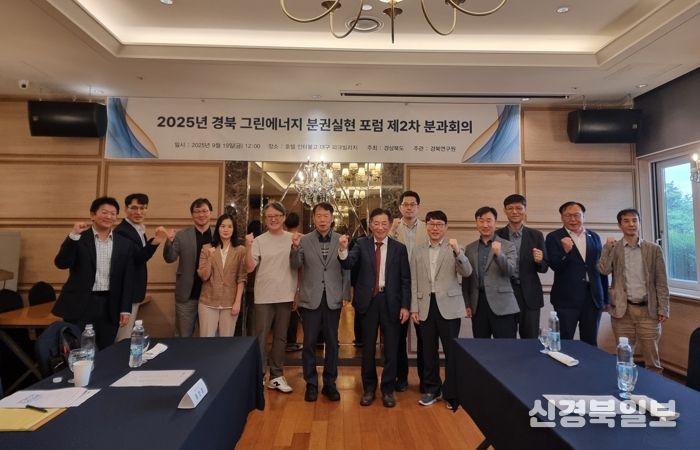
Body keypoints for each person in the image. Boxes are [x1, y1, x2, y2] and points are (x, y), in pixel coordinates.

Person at [339, 208, 411, 408]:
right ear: (370, 225)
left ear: (390, 225)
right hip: (368, 303)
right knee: (368, 348)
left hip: (391, 302)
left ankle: (388, 389)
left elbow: (405, 280)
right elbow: (348, 263)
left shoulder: (399, 248)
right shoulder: (361, 244)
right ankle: (369, 389)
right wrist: (343, 249)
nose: (380, 227)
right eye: (376, 223)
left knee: (391, 349)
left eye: (384, 223)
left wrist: (405, 306)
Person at [53, 196, 135, 349]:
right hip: (81, 304)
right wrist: (73, 236)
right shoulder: (79, 238)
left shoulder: (125, 244)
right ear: (92, 215)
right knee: (78, 349)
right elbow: (61, 263)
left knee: (105, 349)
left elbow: (128, 278)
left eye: (113, 213)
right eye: (104, 212)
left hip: (110, 305)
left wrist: (125, 308)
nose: (109, 216)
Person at [410, 210, 472, 406]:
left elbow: (467, 272)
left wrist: (458, 252)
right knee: (428, 351)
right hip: (425, 306)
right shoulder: (418, 250)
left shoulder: (455, 248)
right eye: (431, 224)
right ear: (426, 226)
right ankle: (432, 390)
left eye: (439, 224)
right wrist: (414, 308)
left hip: (449, 306)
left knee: (451, 351)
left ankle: (452, 393)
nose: (435, 228)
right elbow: (414, 281)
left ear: (445, 227)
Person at [598, 208, 670, 373]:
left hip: (648, 311)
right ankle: (625, 386)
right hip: (622, 312)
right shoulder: (614, 248)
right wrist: (607, 248)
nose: (631, 224)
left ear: (639, 223)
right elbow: (604, 270)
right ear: (619, 225)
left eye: (634, 220)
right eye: (626, 221)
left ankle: (654, 388)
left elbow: (661, 281)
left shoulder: (653, 249)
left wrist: (664, 307)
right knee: (624, 357)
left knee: (652, 360)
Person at [290, 202, 348, 402]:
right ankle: (311, 384)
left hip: (333, 298)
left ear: (332, 218)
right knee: (309, 343)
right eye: (319, 216)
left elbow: (346, 269)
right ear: (313, 218)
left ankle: (330, 384)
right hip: (310, 298)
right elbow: (295, 265)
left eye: (326, 216)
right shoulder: (304, 240)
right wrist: (295, 248)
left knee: (332, 343)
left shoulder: (341, 240)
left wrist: (345, 294)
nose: (322, 219)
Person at [246, 202, 297, 393]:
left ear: (283, 217)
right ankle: (259, 375)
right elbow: (249, 267)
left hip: (286, 294)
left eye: (277, 215)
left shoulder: (293, 239)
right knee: (260, 337)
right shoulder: (259, 241)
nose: (273, 219)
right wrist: (248, 246)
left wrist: (298, 292)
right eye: (269, 216)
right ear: (265, 219)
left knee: (281, 338)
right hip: (264, 296)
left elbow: (299, 268)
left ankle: (276, 375)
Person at [545, 201, 609, 346]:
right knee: (564, 342)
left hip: (592, 299)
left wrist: (605, 298)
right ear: (562, 217)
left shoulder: (594, 236)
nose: (573, 219)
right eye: (568, 216)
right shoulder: (554, 237)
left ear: (583, 216)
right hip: (566, 299)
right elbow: (554, 266)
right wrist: (566, 252)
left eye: (576, 215)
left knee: (590, 342)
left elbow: (601, 269)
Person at [113, 193, 167, 341]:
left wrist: (153, 241)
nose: (138, 212)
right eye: (134, 208)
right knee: (122, 336)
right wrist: (156, 242)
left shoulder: (136, 228)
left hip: (133, 290)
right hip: (126, 292)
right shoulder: (123, 231)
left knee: (127, 333)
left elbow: (138, 253)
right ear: (126, 209)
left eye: (142, 208)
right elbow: (136, 259)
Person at [495, 194, 548, 339]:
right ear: (505, 210)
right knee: (506, 339)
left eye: (519, 208)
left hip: (530, 295)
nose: (514, 212)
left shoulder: (536, 235)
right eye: (510, 208)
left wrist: (539, 261)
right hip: (505, 293)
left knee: (530, 340)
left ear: (525, 210)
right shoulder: (497, 235)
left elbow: (544, 268)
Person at [390, 190, 428, 392]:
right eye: (405, 204)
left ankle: (425, 379)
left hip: (422, 290)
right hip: (399, 290)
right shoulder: (394, 228)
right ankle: (401, 377)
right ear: (400, 207)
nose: (409, 208)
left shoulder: (427, 228)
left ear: (418, 207)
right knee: (398, 338)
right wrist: (391, 230)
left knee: (425, 339)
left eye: (413, 204)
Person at [462, 206, 519, 339]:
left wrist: (499, 254)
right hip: (478, 304)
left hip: (503, 304)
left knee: (505, 346)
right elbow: (467, 278)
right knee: (481, 346)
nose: (485, 225)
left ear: (495, 222)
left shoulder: (508, 245)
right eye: (481, 221)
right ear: (476, 223)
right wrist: (467, 303)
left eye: (489, 221)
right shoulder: (470, 248)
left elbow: (510, 271)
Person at [163, 198, 214, 337]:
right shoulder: (181, 235)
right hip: (187, 295)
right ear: (192, 214)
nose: (201, 215)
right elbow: (170, 258)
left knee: (210, 337)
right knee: (183, 337)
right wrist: (169, 242)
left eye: (204, 211)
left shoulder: (218, 235)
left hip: (211, 297)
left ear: (210, 213)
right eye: (197, 212)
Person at [197, 213, 246, 337]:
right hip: (208, 302)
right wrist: (210, 258)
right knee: (206, 340)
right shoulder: (207, 248)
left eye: (229, 226)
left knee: (226, 341)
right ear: (218, 228)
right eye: (223, 226)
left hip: (230, 303)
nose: (226, 229)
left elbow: (241, 278)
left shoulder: (240, 250)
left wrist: (237, 302)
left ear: (234, 229)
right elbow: (204, 276)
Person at [284, 212, 303, 353]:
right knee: (293, 313)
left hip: (282, 280)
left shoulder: (281, 238)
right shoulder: (301, 238)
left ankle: (283, 342)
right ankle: (291, 342)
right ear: (298, 223)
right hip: (295, 280)